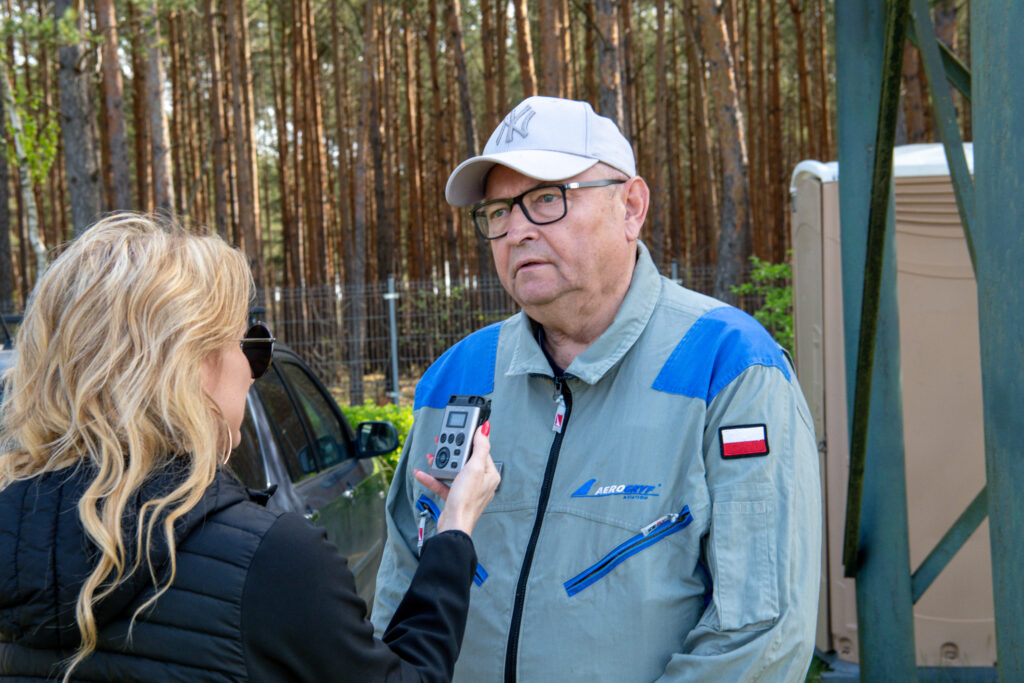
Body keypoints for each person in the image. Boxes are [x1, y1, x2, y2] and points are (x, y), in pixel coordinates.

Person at [371, 96, 821, 681]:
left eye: (546, 199)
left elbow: (761, 634)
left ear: (630, 206)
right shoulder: (454, 380)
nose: (518, 231)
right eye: (499, 211)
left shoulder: (729, 367)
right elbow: (400, 596)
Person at [0, 213, 500, 682]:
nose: (252, 370)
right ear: (191, 365)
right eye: (249, 343)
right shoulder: (272, 558)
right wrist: (453, 535)